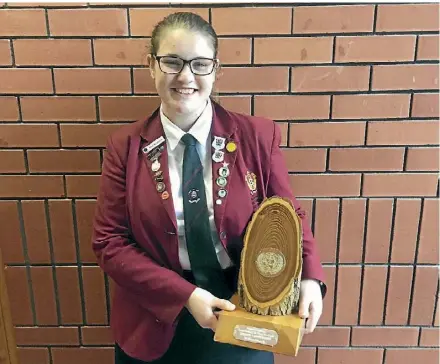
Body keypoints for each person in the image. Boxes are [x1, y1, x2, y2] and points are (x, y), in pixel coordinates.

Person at [92, 11, 326, 364]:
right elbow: (108, 242)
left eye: (200, 64)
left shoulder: (257, 137)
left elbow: (288, 214)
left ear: (216, 70)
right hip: (152, 316)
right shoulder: (124, 146)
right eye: (172, 61)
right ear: (151, 66)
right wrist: (185, 295)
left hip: (244, 307)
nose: (185, 76)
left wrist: (310, 277)